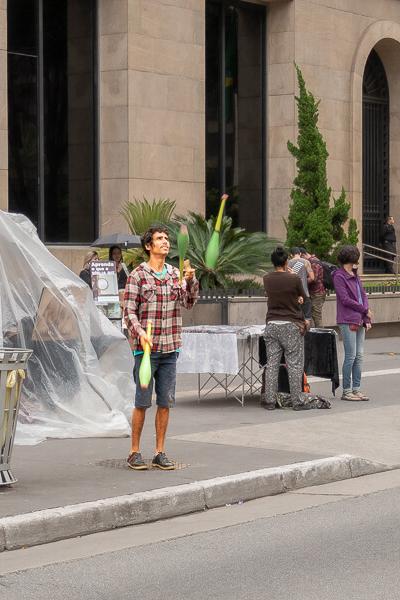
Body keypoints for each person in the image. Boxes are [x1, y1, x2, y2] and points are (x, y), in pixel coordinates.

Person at [124, 226, 199, 470]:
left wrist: (191, 282)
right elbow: (129, 311)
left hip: (170, 349)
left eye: (167, 239)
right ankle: (134, 451)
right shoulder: (138, 275)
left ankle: (159, 452)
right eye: (159, 239)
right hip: (145, 351)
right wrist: (140, 332)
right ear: (148, 246)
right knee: (142, 402)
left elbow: (188, 303)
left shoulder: (175, 274)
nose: (165, 242)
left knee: (165, 402)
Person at [262, 246, 307, 410]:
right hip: (290, 324)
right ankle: (297, 401)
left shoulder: (266, 278)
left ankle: (270, 401)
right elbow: (303, 295)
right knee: (294, 364)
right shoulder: (293, 278)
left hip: (272, 324)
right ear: (286, 261)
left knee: (272, 364)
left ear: (272, 262)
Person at [333, 245, 372, 402]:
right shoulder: (339, 276)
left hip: (359, 318)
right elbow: (345, 299)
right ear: (352, 258)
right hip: (347, 319)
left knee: (359, 356)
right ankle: (347, 391)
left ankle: (356, 389)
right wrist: (364, 310)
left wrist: (366, 317)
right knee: (351, 356)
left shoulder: (355, 275)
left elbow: (363, 296)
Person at [300, 248, 326, 327]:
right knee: (310, 314)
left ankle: (322, 336)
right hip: (314, 292)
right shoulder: (312, 261)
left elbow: (313, 278)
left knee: (316, 315)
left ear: (303, 255)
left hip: (317, 293)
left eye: (301, 258)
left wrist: (301, 282)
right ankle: (312, 336)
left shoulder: (314, 262)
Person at [288, 247, 314, 325]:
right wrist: (304, 281)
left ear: (291, 255)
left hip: (293, 296)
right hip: (305, 294)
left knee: (294, 319)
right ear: (300, 253)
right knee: (307, 318)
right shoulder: (306, 262)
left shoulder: (288, 263)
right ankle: (307, 335)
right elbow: (312, 278)